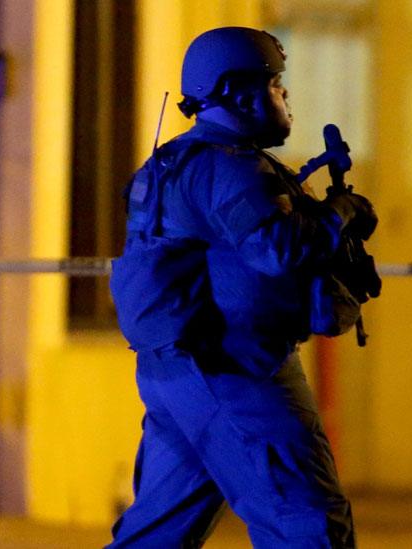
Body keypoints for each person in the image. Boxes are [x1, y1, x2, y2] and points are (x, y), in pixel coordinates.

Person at [107, 27, 375, 548]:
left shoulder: (174, 161)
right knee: (307, 520)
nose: (284, 95)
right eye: (275, 83)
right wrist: (341, 213)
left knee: (158, 533)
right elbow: (275, 249)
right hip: (237, 374)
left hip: (178, 376)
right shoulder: (228, 168)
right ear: (237, 91)